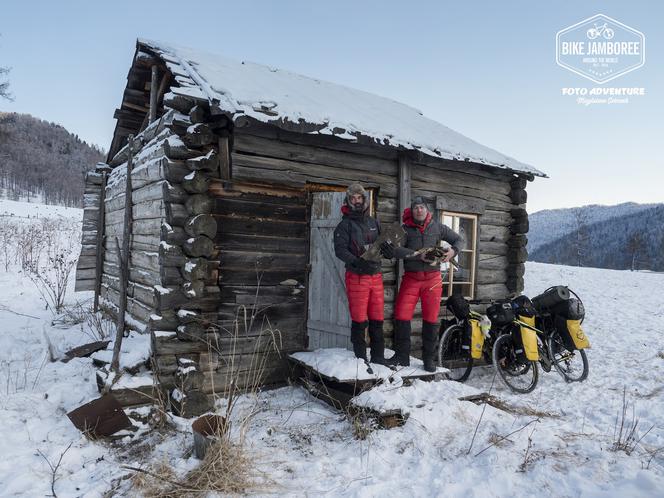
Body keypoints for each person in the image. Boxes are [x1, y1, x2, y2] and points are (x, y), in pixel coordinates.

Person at [381, 196, 461, 371]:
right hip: (411, 279)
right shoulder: (404, 229)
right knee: (401, 315)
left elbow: (458, 240)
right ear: (412, 210)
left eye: (421, 207)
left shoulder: (438, 227)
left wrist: (453, 252)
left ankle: (429, 360)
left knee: (431, 319)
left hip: (432, 281)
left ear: (427, 210)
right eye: (416, 207)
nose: (419, 210)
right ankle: (402, 357)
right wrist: (418, 255)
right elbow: (393, 249)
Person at [333, 183, 389, 365]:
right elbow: (340, 251)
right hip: (357, 277)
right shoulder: (344, 225)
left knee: (377, 317)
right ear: (348, 201)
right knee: (359, 318)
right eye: (353, 198)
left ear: (365, 199)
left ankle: (378, 357)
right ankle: (361, 359)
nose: (356, 201)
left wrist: (389, 249)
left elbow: (382, 244)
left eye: (359, 198)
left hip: (376, 276)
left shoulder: (374, 222)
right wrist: (357, 261)